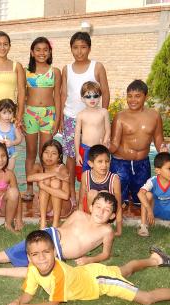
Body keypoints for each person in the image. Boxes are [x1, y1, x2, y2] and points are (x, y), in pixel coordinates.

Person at [0, 192, 118, 289]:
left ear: (112, 216)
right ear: (91, 207)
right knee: (5, 255)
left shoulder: (106, 231)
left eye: (106, 210)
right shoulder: (79, 214)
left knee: (33, 272)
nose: (101, 212)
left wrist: (90, 259)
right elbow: (60, 229)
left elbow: (105, 254)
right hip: (48, 238)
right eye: (98, 207)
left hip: (58, 256)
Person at [5, 230, 170, 305]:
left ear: (54, 252)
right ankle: (156, 259)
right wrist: (17, 301)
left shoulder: (58, 273)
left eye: (46, 252)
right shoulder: (32, 268)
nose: (42, 258)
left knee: (146, 298)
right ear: (29, 258)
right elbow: (29, 292)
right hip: (89, 272)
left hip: (100, 281)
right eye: (35, 254)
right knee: (125, 270)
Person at [60, 31, 110, 209]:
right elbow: (63, 94)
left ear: (89, 48)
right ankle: (72, 192)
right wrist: (60, 118)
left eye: (83, 47)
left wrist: (103, 120)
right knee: (72, 156)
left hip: (93, 120)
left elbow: (105, 92)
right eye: (75, 48)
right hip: (71, 117)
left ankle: (96, 189)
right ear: (71, 49)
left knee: (94, 154)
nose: (79, 51)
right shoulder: (66, 69)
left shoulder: (97, 67)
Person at [110, 80, 166, 207]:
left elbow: (158, 139)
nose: (132, 100)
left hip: (142, 164)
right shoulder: (120, 117)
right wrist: (104, 147)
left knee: (141, 200)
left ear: (146, 97)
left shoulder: (154, 116)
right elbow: (114, 144)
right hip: (120, 163)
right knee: (118, 199)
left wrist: (163, 150)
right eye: (129, 96)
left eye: (137, 96)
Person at [23, 37, 61, 201]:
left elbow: (58, 97)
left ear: (50, 52)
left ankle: (45, 188)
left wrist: (57, 119)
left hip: (48, 114)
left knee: (45, 154)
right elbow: (22, 95)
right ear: (32, 52)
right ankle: (30, 188)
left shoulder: (55, 72)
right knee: (31, 153)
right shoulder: (26, 71)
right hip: (30, 114)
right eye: (38, 50)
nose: (41, 53)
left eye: (45, 49)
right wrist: (20, 117)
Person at [137, 152, 170, 239]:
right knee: (147, 195)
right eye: (169, 168)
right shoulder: (152, 181)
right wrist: (149, 210)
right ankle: (143, 226)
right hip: (154, 211)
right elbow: (140, 194)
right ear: (158, 170)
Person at [78, 145, 123, 235]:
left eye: (107, 161)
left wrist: (119, 230)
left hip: (107, 214)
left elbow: (118, 205)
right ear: (90, 164)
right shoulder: (85, 176)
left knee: (104, 194)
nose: (104, 165)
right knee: (92, 193)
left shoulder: (114, 179)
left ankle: (101, 225)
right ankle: (91, 223)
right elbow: (81, 201)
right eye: (100, 162)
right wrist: (80, 222)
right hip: (90, 211)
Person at [26, 139, 70, 229]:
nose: (49, 156)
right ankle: (43, 222)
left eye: (54, 153)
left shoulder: (62, 169)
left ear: (59, 157)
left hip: (62, 208)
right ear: (42, 154)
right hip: (47, 208)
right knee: (46, 180)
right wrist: (53, 174)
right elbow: (29, 178)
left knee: (54, 182)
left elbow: (65, 196)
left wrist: (43, 187)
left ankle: (56, 222)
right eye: (46, 152)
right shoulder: (38, 166)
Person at [74, 81, 110, 181]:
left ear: (100, 97)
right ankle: (84, 196)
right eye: (88, 96)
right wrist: (77, 154)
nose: (92, 99)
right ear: (82, 99)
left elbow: (108, 130)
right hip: (85, 150)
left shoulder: (104, 112)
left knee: (101, 175)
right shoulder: (81, 115)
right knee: (85, 177)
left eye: (95, 96)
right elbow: (77, 135)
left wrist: (104, 145)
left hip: (100, 149)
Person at [0, 99, 22, 170]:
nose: (7, 116)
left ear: (14, 113)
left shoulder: (14, 126)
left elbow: (19, 139)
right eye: (4, 113)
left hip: (11, 155)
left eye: (10, 113)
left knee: (9, 172)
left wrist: (12, 143)